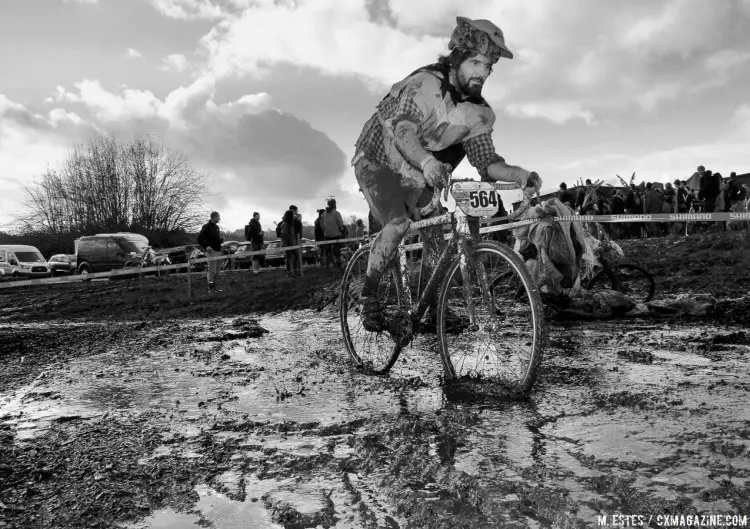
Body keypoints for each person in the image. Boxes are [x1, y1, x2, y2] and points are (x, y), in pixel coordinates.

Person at [351, 16, 541, 331]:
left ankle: (432, 310)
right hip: (377, 159)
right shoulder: (426, 84)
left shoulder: (479, 113)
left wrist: (520, 174)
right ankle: (368, 299)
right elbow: (403, 131)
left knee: (437, 242)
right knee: (398, 225)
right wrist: (427, 162)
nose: (483, 72)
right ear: (457, 58)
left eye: (489, 66)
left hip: (418, 173)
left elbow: (487, 161)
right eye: (476, 62)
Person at [197, 211, 224, 292]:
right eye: (218, 217)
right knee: (212, 271)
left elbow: (214, 239)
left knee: (217, 271)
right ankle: (211, 289)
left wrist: (220, 240)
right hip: (211, 252)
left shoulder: (217, 227)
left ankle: (214, 288)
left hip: (218, 251)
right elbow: (199, 239)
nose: (219, 218)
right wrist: (206, 246)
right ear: (214, 217)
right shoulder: (206, 226)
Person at [279, 209, 302, 277]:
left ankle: (294, 271)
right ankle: (290, 272)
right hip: (288, 244)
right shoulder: (285, 224)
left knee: (295, 256)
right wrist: (288, 243)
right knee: (289, 258)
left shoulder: (290, 224)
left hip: (292, 243)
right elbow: (284, 235)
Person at [322, 198, 344, 268]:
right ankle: (338, 263)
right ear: (334, 204)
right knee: (337, 250)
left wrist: (324, 231)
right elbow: (340, 223)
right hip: (336, 234)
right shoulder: (336, 213)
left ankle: (327, 264)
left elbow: (321, 224)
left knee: (327, 250)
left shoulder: (324, 214)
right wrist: (340, 230)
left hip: (327, 235)